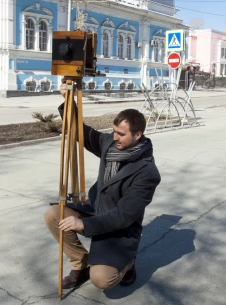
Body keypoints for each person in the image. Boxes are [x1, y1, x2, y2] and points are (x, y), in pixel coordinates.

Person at [44, 83, 161, 290]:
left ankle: (128, 263)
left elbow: (123, 215)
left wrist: (84, 225)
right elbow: (79, 132)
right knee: (54, 214)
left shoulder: (147, 173)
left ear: (138, 135)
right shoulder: (111, 144)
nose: (115, 137)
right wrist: (69, 101)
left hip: (120, 228)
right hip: (96, 210)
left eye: (121, 134)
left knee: (102, 279)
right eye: (114, 131)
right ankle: (80, 264)